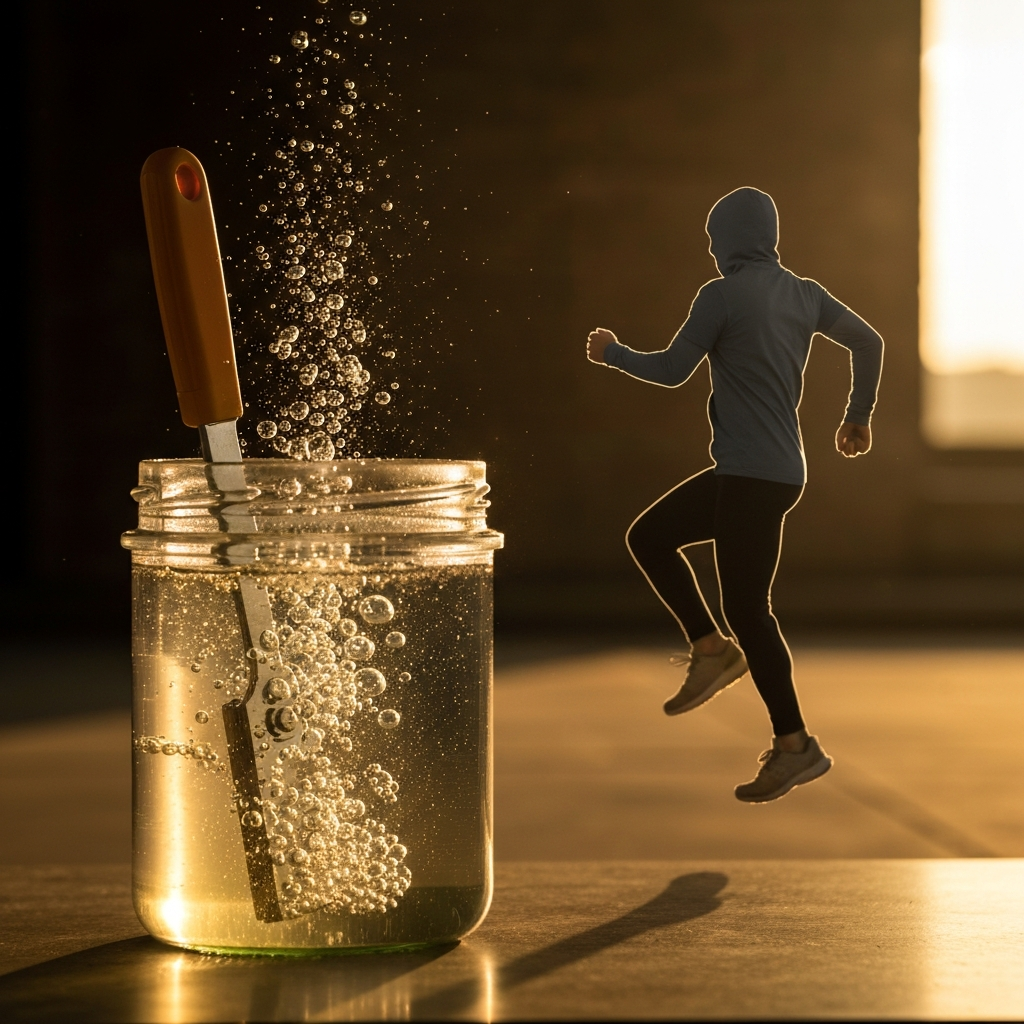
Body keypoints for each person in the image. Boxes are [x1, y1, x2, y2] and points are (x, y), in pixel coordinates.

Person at [586, 186, 883, 803]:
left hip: (750, 478)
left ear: (726, 239)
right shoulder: (805, 293)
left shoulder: (721, 295)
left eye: (714, 238)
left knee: (750, 609)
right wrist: (858, 415)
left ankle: (796, 745)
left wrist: (612, 353)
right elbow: (869, 342)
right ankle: (712, 650)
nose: (713, 250)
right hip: (769, 473)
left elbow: (671, 370)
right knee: (651, 536)